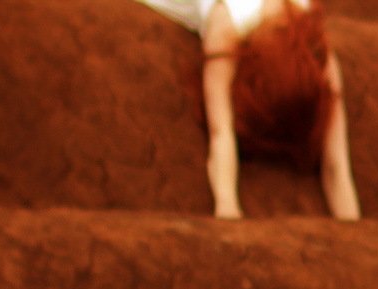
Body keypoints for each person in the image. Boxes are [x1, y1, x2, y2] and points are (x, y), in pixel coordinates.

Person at [134, 0, 361, 219]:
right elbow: (221, 133)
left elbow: (337, 165)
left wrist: (352, 225)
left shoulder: (313, 43)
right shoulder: (226, 22)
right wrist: (227, 204)